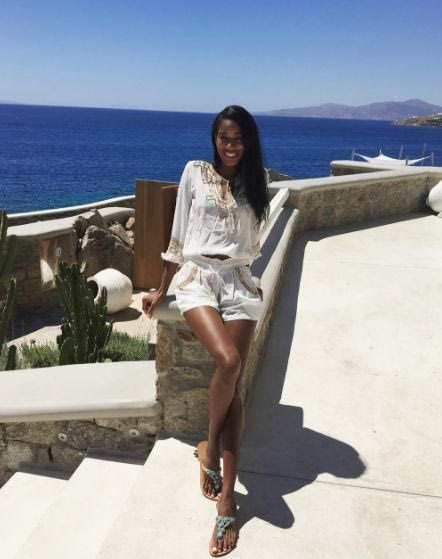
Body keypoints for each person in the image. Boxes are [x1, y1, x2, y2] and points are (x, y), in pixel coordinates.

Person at [142, 105, 270, 557]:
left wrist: (242, 271)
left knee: (233, 387)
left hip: (238, 282)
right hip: (197, 278)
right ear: (214, 139)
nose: (230, 146)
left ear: (248, 141)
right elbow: (178, 236)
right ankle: (210, 448)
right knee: (228, 362)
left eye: (237, 139)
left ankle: (226, 493)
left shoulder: (257, 181)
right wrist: (162, 289)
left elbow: (253, 242)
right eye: (223, 138)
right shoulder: (194, 172)